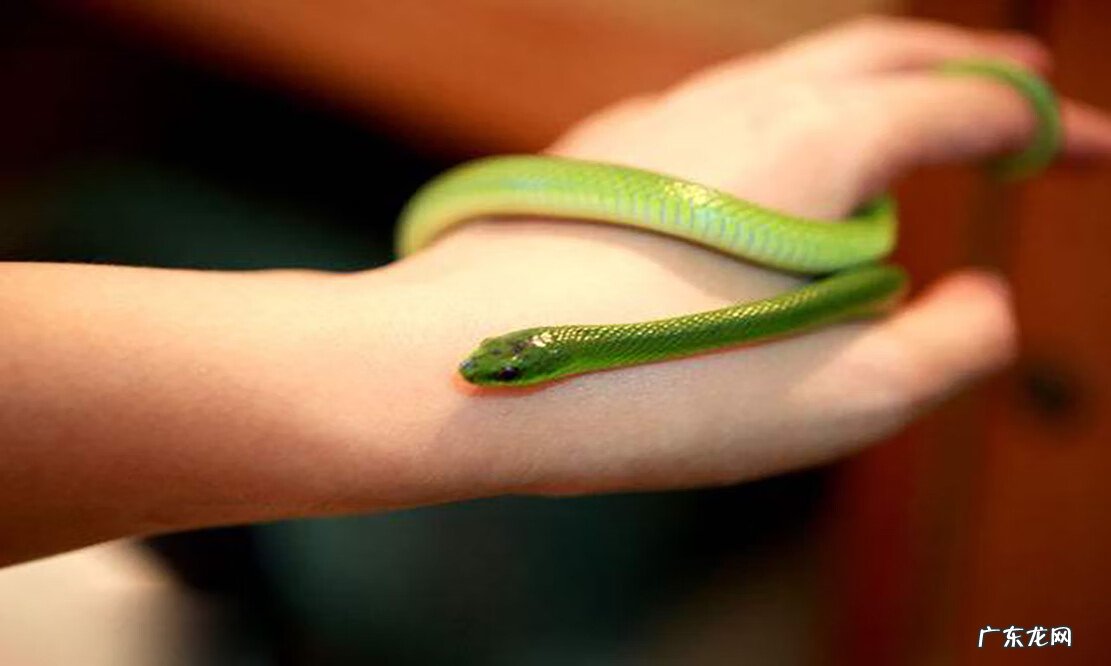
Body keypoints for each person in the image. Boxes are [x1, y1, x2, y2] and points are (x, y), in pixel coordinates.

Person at [2, 17, 1110, 566]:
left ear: (553, 349)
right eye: (511, 363)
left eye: (509, 359)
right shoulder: (545, 348)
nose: (490, 369)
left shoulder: (609, 332)